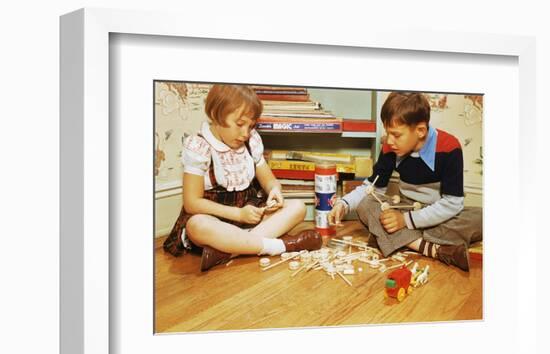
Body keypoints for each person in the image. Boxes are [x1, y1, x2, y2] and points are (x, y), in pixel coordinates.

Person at [163, 84, 322, 271]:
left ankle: (229, 250)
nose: (245, 133)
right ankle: (282, 246)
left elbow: (269, 180)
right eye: (239, 124)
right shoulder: (199, 146)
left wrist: (274, 191)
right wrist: (238, 214)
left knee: (298, 207)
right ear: (216, 114)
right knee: (196, 225)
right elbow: (192, 203)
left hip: (250, 220)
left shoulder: (251, 141)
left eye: (251, 125)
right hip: (217, 221)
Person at [328, 92, 482, 272]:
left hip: (437, 212)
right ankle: (432, 248)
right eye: (387, 133)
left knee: (481, 218)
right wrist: (344, 203)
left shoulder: (449, 147)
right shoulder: (390, 147)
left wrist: (406, 221)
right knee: (365, 205)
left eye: (396, 135)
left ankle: (393, 238)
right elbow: (372, 189)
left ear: (420, 131)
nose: (389, 140)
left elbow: (452, 203)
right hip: (404, 207)